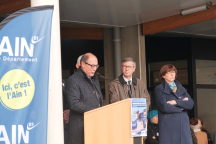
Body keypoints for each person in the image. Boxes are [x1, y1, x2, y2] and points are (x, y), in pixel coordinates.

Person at [66, 53, 104, 144]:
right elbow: (74, 103)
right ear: (82, 64)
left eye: (96, 66)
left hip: (96, 123)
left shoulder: (95, 79)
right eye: (92, 66)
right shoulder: (73, 80)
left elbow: (99, 100)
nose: (94, 69)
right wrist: (95, 110)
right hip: (80, 126)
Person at [154, 64, 194, 144]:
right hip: (169, 124)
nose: (172, 74)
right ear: (163, 76)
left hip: (183, 123)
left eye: (174, 72)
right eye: (169, 72)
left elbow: (190, 104)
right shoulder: (159, 89)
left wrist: (176, 102)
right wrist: (182, 107)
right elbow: (164, 107)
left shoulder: (180, 87)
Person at [62, 55, 83, 144]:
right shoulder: (71, 80)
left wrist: (68, 109)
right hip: (64, 120)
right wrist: (67, 109)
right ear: (77, 66)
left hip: (88, 120)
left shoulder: (95, 80)